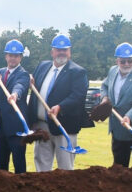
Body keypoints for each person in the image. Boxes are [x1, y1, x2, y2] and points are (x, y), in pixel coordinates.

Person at [28, 34, 88, 171]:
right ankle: (43, 191)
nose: (62, 52)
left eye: (65, 50)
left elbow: (78, 96)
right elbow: (34, 93)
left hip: (64, 127)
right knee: (42, 165)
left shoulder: (78, 72)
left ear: (69, 52)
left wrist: (61, 107)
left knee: (65, 168)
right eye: (58, 49)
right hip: (42, 126)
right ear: (52, 52)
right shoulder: (42, 66)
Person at [99, 43, 132, 167]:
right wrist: (105, 97)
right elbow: (104, 85)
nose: (127, 64)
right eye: (123, 61)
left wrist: (129, 117)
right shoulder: (112, 71)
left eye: (130, 61)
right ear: (117, 61)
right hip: (117, 130)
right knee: (119, 168)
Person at [0, 39, 30, 173]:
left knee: (19, 164)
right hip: (1, 125)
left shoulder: (23, 74)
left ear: (20, 57)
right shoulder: (1, 72)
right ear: (6, 56)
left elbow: (20, 86)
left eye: (16, 56)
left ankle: (20, 190)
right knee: (0, 164)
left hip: (17, 128)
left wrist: (15, 95)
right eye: (10, 55)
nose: (13, 58)